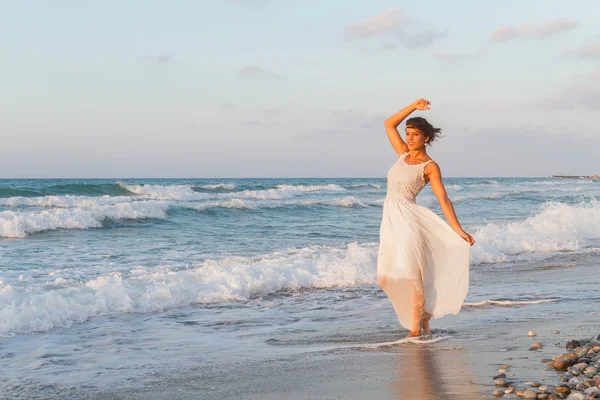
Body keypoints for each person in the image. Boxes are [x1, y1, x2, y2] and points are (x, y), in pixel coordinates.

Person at [377, 98, 475, 338]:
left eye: (415, 134)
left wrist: (459, 231)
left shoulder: (430, 166)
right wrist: (413, 105)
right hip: (390, 221)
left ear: (426, 138)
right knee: (384, 278)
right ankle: (423, 316)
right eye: (408, 133)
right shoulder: (401, 154)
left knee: (412, 274)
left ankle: (415, 329)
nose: (409, 138)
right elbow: (389, 124)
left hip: (409, 220)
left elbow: (444, 199)